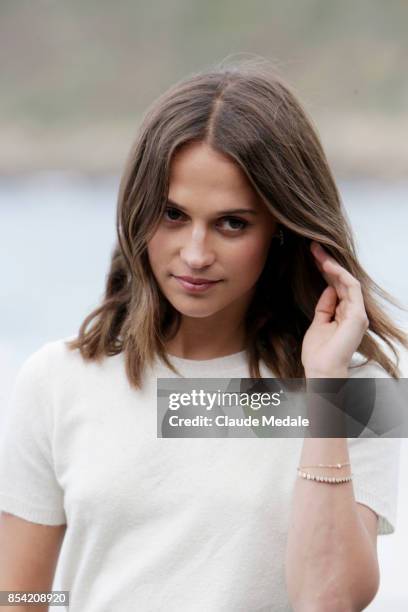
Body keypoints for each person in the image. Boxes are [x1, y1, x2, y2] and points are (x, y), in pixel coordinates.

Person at [0, 58, 406, 612]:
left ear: (282, 231)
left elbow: (327, 599)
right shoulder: (56, 382)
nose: (195, 254)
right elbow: (17, 596)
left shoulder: (355, 391)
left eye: (231, 223)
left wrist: (326, 390)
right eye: (172, 214)